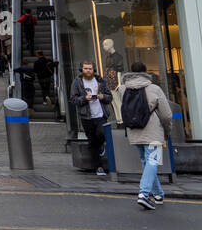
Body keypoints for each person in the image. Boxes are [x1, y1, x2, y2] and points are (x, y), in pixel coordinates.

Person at [115, 62, 173, 211]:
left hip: (134, 131)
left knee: (146, 162)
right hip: (152, 131)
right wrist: (167, 131)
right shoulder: (154, 89)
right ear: (146, 72)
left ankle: (158, 194)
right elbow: (166, 115)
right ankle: (144, 194)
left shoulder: (122, 89)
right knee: (153, 161)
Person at [68, 61, 112, 176]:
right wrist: (85, 98)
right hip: (86, 117)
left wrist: (102, 97)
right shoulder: (77, 82)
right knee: (92, 141)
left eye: (90, 68)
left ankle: (101, 145)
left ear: (94, 70)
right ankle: (99, 167)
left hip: (101, 115)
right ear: (81, 70)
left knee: (102, 134)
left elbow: (109, 97)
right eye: (86, 68)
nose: (88, 70)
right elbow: (73, 99)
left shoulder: (100, 81)